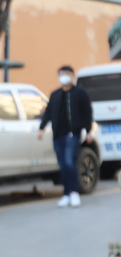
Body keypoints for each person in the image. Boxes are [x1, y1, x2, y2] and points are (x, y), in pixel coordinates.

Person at [38, 65, 93, 208]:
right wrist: (41, 128)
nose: (64, 77)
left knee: (69, 162)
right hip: (58, 135)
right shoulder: (55, 94)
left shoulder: (80, 93)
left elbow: (87, 112)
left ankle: (74, 192)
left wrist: (88, 131)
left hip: (72, 134)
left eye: (67, 74)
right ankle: (66, 194)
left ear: (72, 76)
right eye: (61, 74)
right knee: (62, 165)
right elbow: (48, 112)